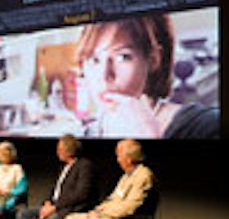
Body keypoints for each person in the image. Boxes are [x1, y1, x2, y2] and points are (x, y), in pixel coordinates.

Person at [75, 14, 220, 139]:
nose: (105, 75)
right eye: (94, 60)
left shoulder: (207, 127)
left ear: (153, 60)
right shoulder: (84, 135)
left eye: (123, 57)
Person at [16, 133, 96, 219]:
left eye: (60, 149)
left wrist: (54, 207)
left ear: (69, 151)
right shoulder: (64, 167)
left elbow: (81, 194)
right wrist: (47, 202)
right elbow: (56, 189)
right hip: (55, 206)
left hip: (69, 209)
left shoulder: (84, 166)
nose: (57, 152)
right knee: (23, 215)